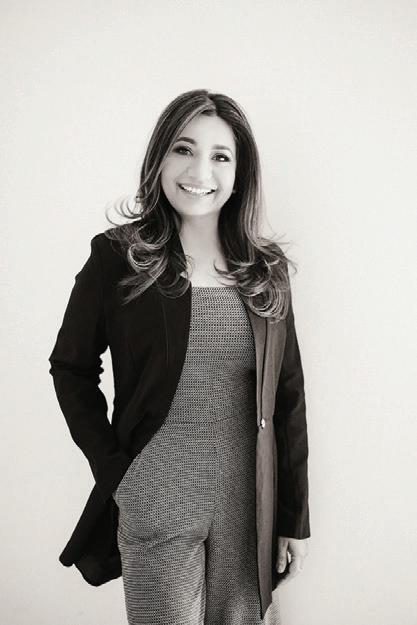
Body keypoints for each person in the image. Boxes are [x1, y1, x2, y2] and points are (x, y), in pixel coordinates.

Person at [48, 88, 310, 625]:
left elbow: (288, 397)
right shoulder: (118, 256)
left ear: (239, 173)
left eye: (220, 156)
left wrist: (294, 518)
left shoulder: (266, 272)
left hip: (248, 506)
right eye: (184, 149)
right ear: (160, 156)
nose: (199, 171)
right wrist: (119, 475)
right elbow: (71, 369)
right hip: (157, 498)